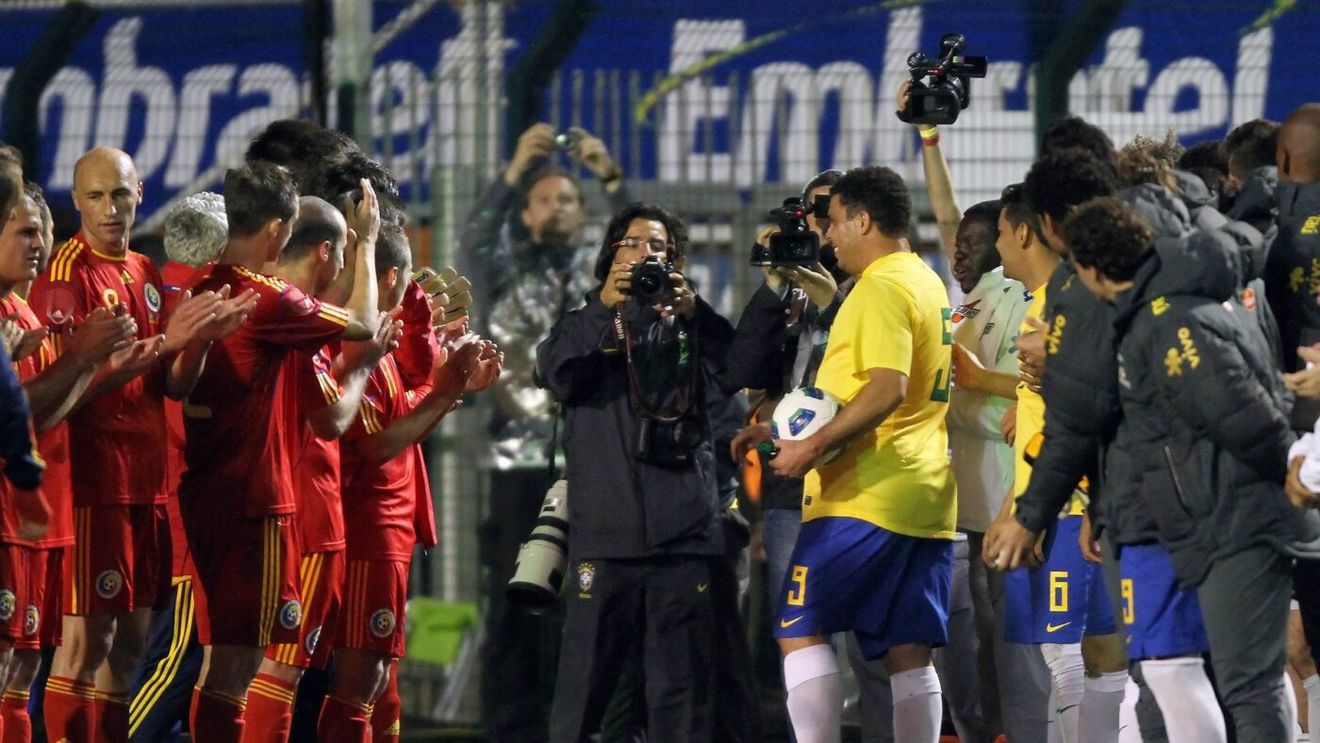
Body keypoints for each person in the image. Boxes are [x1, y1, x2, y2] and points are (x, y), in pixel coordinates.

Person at [1068, 195, 1319, 742]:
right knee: (1220, 676)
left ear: (1090, 267)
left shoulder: (1168, 319)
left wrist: (1299, 470)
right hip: (1216, 514)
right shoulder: (1172, 307)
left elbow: (1243, 416)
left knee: (1243, 683)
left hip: (1240, 517)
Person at [28, 147, 253, 743]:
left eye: (120, 195)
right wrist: (163, 344)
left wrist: (198, 340)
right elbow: (65, 388)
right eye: (96, 196)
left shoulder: (145, 273)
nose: (109, 209)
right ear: (76, 201)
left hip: (148, 485)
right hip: (91, 485)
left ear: (140, 194)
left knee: (128, 649)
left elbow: (171, 385)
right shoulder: (64, 276)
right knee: (84, 645)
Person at [178, 164, 380, 741]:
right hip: (253, 500)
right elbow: (363, 325)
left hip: (208, 490)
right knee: (238, 668)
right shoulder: (267, 299)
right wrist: (366, 240)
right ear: (275, 230)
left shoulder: (202, 286)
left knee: (224, 662)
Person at [766, 165, 955, 743]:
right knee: (909, 652)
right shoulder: (925, 280)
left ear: (863, 220)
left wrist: (811, 446)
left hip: (864, 495)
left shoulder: (879, 285)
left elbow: (886, 386)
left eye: (836, 224)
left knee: (799, 627)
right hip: (924, 499)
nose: (828, 238)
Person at [536, 202, 735, 742]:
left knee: (680, 698)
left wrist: (696, 315)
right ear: (610, 254)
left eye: (659, 247)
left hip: (682, 538)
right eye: (634, 242)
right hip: (605, 539)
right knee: (583, 695)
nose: (646, 253)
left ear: (676, 263)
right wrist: (606, 310)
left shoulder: (694, 326)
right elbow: (555, 374)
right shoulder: (585, 323)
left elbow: (738, 373)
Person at [458, 122, 630, 743]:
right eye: (545, 198)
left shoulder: (599, 272)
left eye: (568, 199)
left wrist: (609, 175)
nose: (557, 206)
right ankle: (509, 726)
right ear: (527, 214)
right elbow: (473, 239)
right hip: (516, 461)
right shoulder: (503, 268)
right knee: (514, 591)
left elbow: (647, 242)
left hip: (593, 459)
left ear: (585, 216)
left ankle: (577, 722)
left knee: (587, 596)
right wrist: (512, 172)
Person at [320, 220, 501, 742]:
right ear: (394, 278)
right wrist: (448, 389)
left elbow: (404, 405)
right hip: (364, 528)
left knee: (377, 682)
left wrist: (451, 378)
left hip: (378, 527)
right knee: (355, 681)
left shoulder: (378, 335)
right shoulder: (359, 340)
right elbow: (378, 443)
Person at [232, 197, 403, 743]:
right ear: (327, 252)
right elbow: (333, 419)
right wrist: (365, 367)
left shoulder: (249, 297)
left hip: (269, 510)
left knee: (246, 672)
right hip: (305, 516)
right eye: (347, 257)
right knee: (277, 674)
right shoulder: (294, 315)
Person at [987, 148, 1129, 743]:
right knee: (1096, 655)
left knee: (1066, 653)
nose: (995, 248)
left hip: (1068, 508)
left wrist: (1033, 511)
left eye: (998, 234)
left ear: (1028, 230)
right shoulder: (1053, 303)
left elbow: (1081, 416)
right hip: (1065, 503)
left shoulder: (1055, 309)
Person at [0, 194, 137, 741]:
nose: (36, 244)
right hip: (10, 515)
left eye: (41, 232)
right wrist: (81, 357)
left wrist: (100, 366)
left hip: (44, 521)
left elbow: (49, 411)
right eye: (22, 231)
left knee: (23, 671)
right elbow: (17, 409)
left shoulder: (23, 312)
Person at [127, 192, 230, 743]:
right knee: (174, 661)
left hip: (153, 500)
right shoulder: (214, 302)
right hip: (188, 510)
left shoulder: (146, 291)